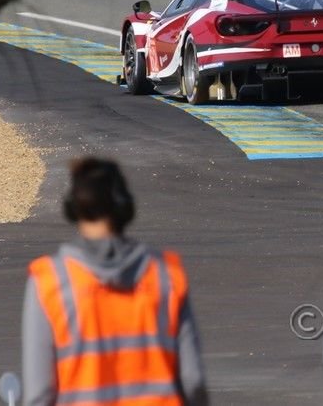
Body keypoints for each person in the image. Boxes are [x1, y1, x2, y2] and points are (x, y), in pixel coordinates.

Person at [22, 157, 209, 406]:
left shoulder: (50, 281)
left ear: (72, 208)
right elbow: (193, 380)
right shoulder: (165, 275)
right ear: (125, 208)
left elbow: (40, 393)